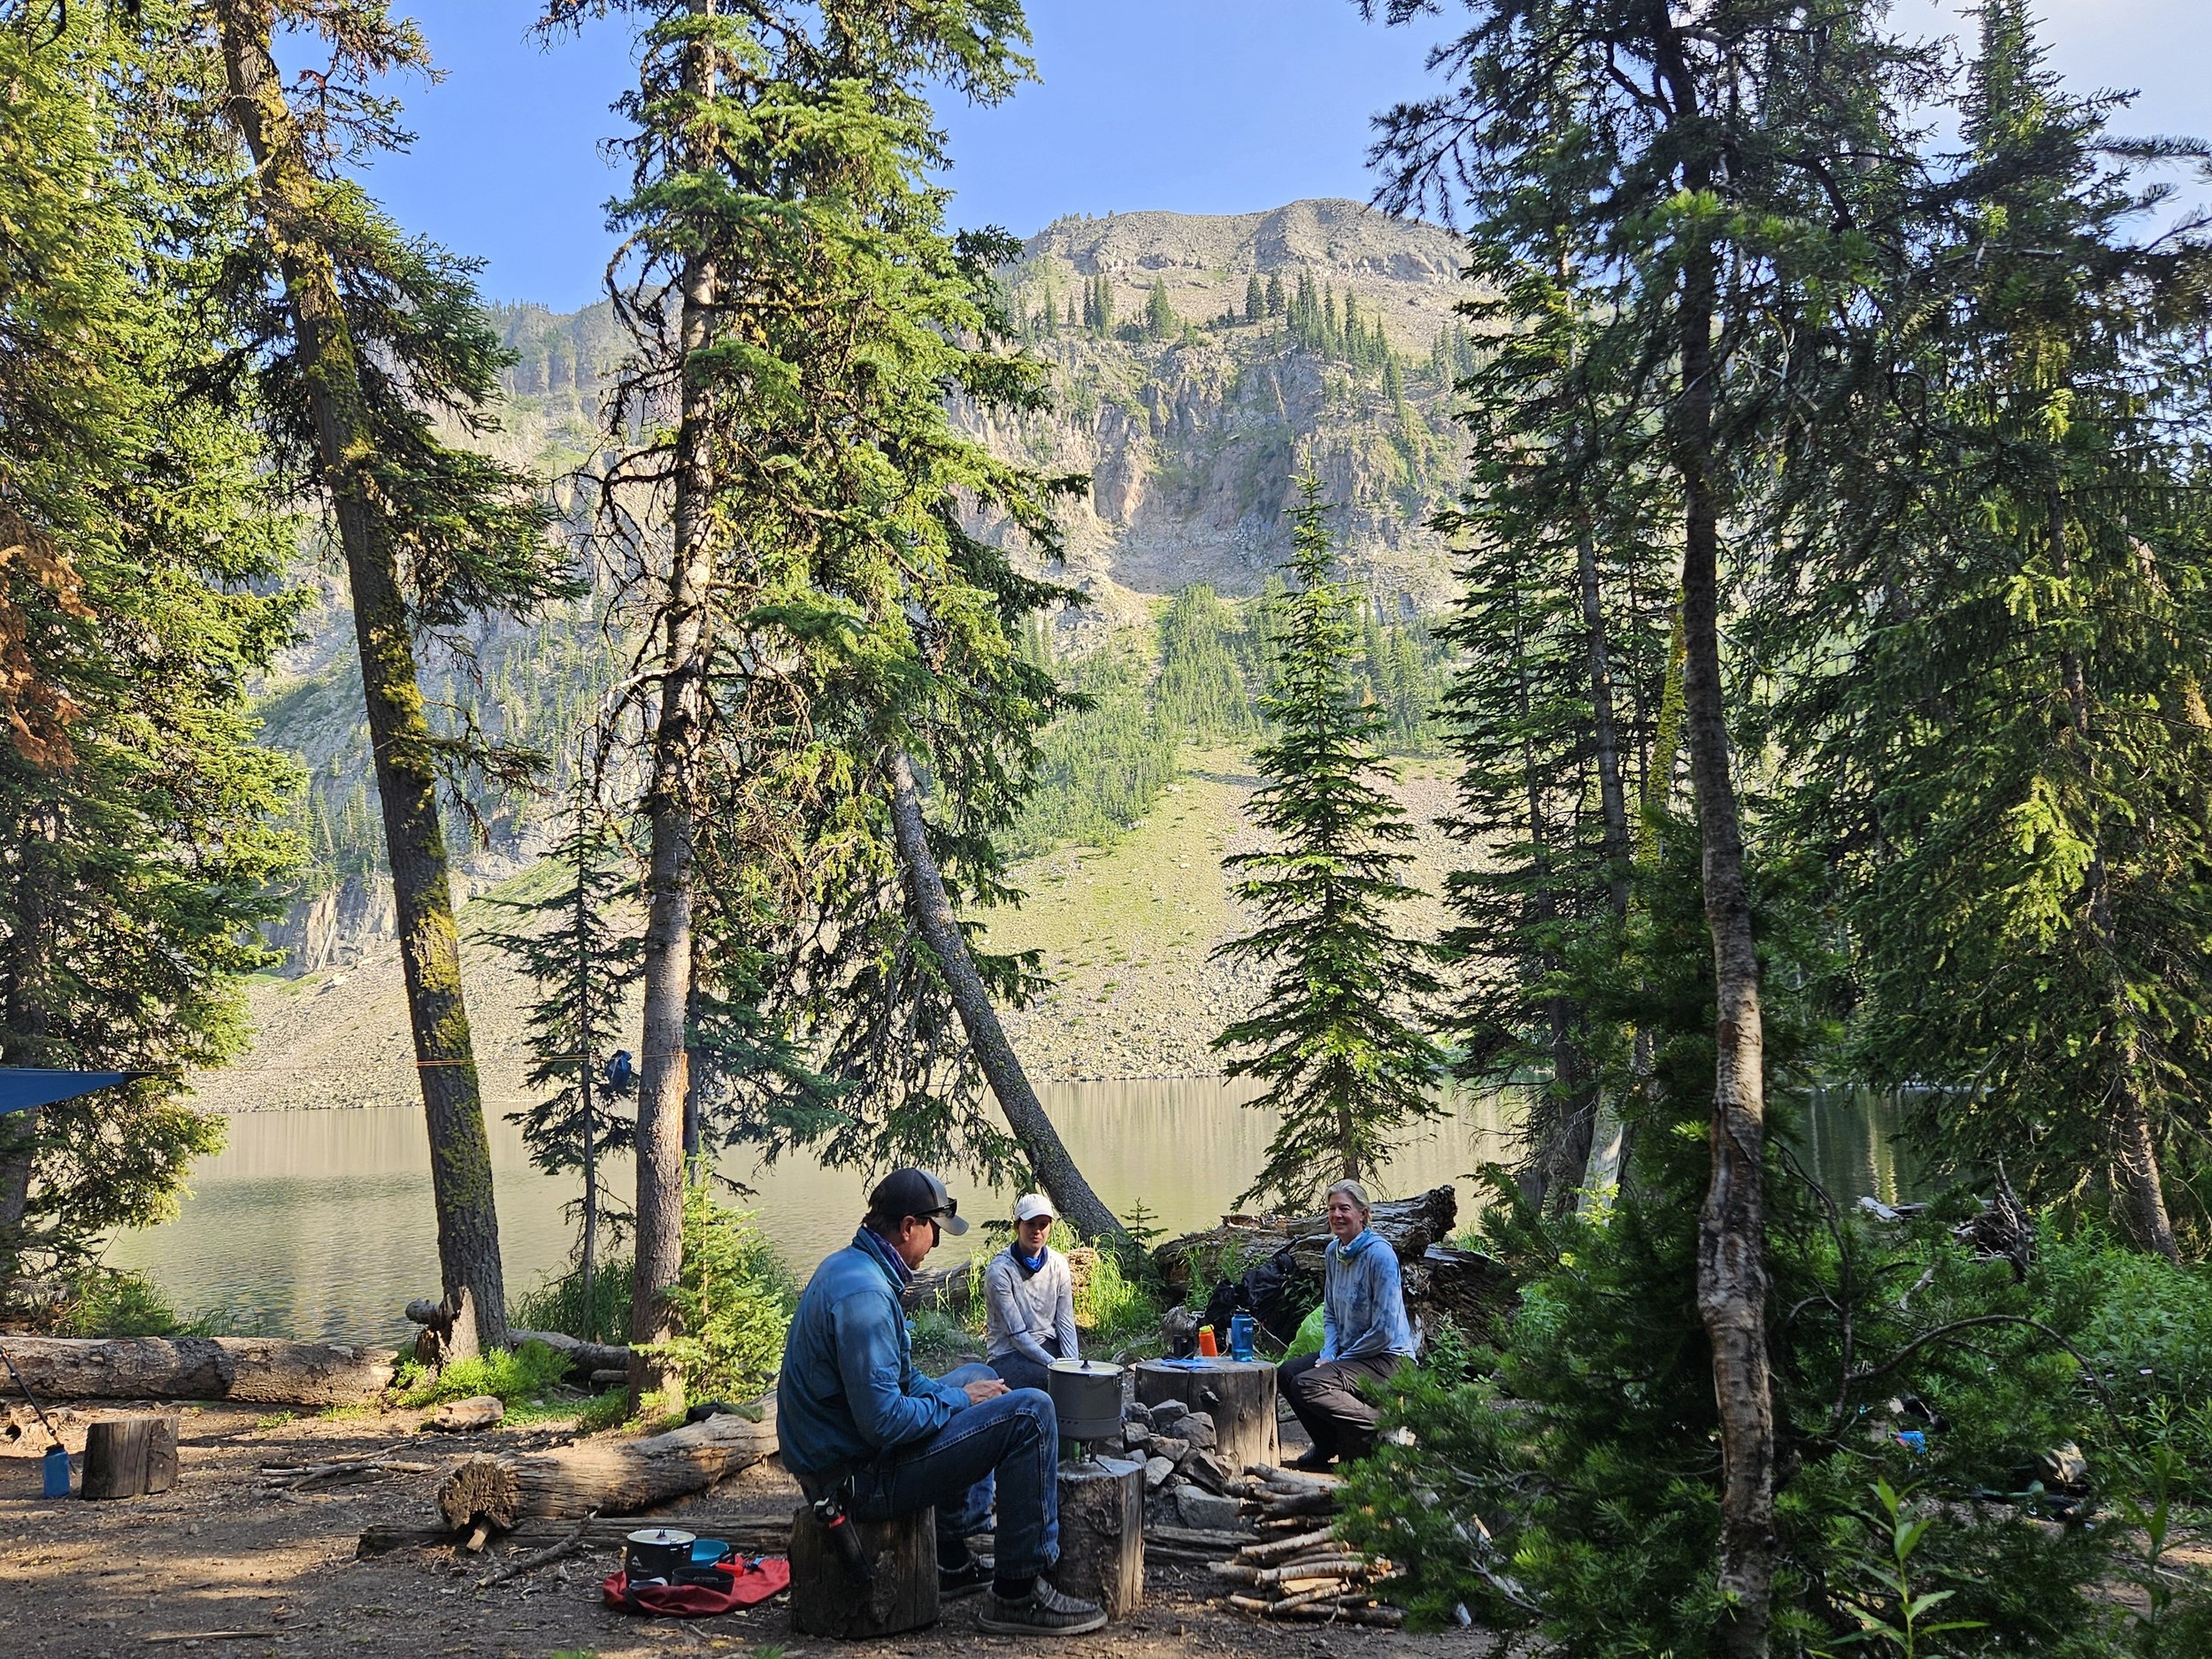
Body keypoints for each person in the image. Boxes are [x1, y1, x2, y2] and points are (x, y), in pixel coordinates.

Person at [777, 1167, 1106, 1636]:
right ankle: (1018, 1593)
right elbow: (885, 1423)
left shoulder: (853, 1267)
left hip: (845, 1458)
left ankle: (950, 1557)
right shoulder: (866, 1295)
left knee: (980, 1374)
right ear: (909, 1226)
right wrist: (956, 1403)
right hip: (856, 1481)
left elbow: (902, 1379)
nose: (935, 1244)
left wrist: (960, 1393)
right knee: (1032, 1413)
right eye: (933, 1230)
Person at [1279, 1179, 1417, 1469]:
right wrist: (1329, 1354)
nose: (1337, 1215)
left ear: (1363, 1214)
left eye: (1345, 1208)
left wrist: (1339, 1359)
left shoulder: (1380, 1255)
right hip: (1349, 1354)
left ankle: (1383, 1424)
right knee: (1288, 1373)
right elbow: (1330, 1312)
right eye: (1332, 1209)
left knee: (1308, 1385)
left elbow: (1384, 1331)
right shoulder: (1333, 1252)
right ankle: (1327, 1445)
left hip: (1387, 1358)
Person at [984, 1193, 1080, 1394]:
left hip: (1047, 1346)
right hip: (1008, 1354)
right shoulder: (1000, 1271)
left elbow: (1065, 1322)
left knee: (1083, 1380)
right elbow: (1017, 1335)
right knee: (1049, 1382)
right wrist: (1057, 1368)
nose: (1037, 1231)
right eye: (1030, 1224)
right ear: (1017, 1226)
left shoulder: (1058, 1264)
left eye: (1043, 1224)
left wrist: (1073, 1366)